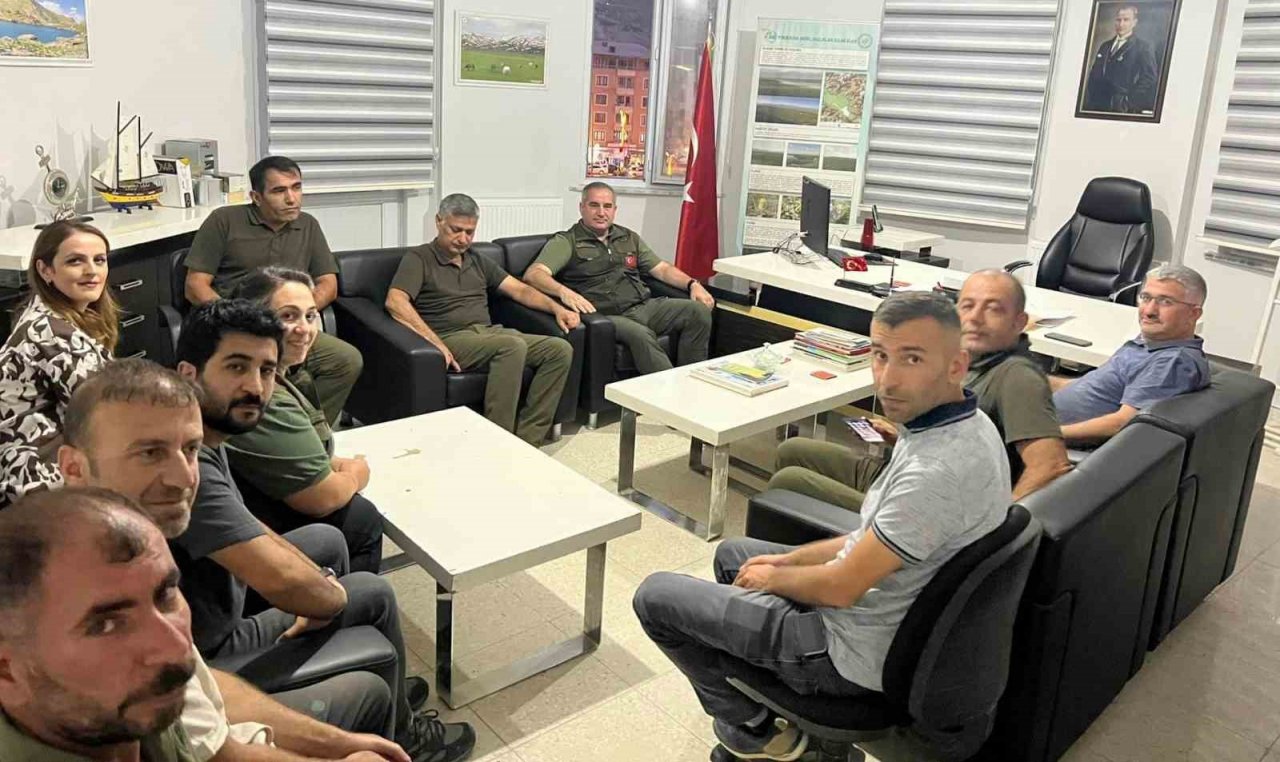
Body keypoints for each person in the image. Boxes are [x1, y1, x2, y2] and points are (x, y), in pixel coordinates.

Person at [633, 292, 1010, 761]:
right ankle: (780, 713)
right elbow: (866, 539)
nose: (887, 379)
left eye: (912, 359)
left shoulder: (935, 473)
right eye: (880, 355)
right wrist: (788, 560)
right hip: (888, 617)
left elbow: (841, 589)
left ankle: (759, 732)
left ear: (956, 365)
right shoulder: (967, 426)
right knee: (735, 555)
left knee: (655, 598)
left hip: (848, 656)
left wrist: (775, 577)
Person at [57, 358, 412, 761]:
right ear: (74, 468)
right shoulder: (90, 601)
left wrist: (340, 744)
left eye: (188, 450)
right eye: (149, 453)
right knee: (369, 689)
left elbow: (198, 682)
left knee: (352, 572)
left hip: (211, 704)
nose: (182, 477)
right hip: (213, 731)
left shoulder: (133, 549)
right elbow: (217, 752)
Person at [172, 300, 475, 761]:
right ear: (189, 372)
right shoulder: (184, 465)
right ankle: (404, 736)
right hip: (209, 648)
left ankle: (391, 697)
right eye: (236, 366)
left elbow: (246, 525)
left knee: (328, 543)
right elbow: (282, 578)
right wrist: (326, 599)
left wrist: (318, 587)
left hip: (215, 611)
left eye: (266, 371)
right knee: (366, 593)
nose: (254, 386)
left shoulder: (202, 433)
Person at [768, 270, 1070, 510]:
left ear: (1019, 321)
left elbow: (1051, 465)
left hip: (926, 505)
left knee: (790, 480)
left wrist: (993, 533)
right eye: (967, 306)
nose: (975, 318)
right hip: (906, 470)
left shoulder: (1016, 376)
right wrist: (902, 437)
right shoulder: (971, 362)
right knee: (792, 450)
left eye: (993, 309)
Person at [0, 487, 199, 761]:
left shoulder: (123, 709)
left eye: (164, 595)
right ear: (6, 671)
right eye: (106, 625)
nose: (175, 649)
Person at [385, 193, 578, 446]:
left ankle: (528, 439)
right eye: (456, 230)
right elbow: (395, 302)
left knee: (559, 350)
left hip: (490, 333)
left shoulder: (477, 259)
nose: (463, 239)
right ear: (439, 221)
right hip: (452, 337)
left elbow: (519, 289)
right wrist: (435, 343)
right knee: (511, 346)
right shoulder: (419, 258)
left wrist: (556, 308)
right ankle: (497, 441)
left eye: (470, 232)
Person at [184, 155, 362, 426]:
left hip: (288, 326)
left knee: (346, 360)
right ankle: (259, 431)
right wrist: (236, 321)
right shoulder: (224, 220)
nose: (292, 198)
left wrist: (299, 314)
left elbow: (329, 283)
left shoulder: (308, 225)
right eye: (279, 191)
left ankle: (308, 431)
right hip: (239, 327)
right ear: (256, 197)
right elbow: (195, 286)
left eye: (296, 187)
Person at [226, 267, 383, 574]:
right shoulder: (256, 394)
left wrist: (331, 462)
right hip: (259, 525)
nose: (305, 329)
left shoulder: (273, 375)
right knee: (362, 518)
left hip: (260, 501)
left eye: (310, 316)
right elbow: (320, 499)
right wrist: (355, 474)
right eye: (288, 317)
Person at [524, 181, 715, 375]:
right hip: (607, 315)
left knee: (697, 312)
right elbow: (534, 274)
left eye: (607, 206)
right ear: (581, 208)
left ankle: (691, 379)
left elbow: (662, 269)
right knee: (641, 335)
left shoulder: (628, 237)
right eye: (594, 205)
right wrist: (563, 292)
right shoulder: (567, 241)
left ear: (615, 210)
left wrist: (693, 284)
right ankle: (668, 395)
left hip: (644, 306)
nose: (601, 212)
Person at [0, 220, 116, 507]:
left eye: (99, 260)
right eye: (75, 261)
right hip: (39, 482)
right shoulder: (51, 333)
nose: (92, 271)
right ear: (45, 270)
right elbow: (108, 416)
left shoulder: (46, 313)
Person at [1052, 264, 1210, 446]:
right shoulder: (1151, 343)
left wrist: (1043, 434)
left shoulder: (1171, 362)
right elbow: (1091, 388)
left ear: (1193, 314)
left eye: (1165, 301)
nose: (1149, 311)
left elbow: (1122, 424)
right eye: (1145, 297)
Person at [1082, 5, 1158, 114]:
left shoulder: (1143, 47)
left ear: (1134, 22)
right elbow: (1094, 74)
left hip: (1122, 109)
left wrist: (1128, 102)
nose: (1121, 24)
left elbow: (1150, 78)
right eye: (1118, 20)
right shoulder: (1105, 46)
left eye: (1126, 20)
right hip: (1097, 107)